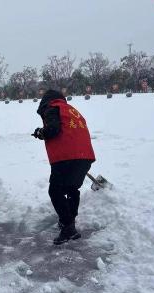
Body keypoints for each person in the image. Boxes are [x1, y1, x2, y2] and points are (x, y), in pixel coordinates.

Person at [32, 89, 96, 245]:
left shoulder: (52, 107)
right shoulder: (71, 110)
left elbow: (53, 130)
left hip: (66, 157)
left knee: (55, 191)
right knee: (72, 189)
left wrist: (41, 132)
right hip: (85, 156)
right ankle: (69, 221)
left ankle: (68, 227)